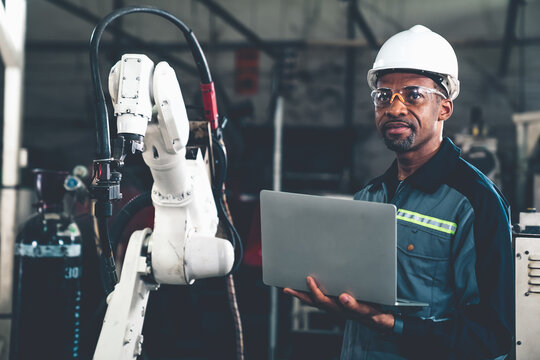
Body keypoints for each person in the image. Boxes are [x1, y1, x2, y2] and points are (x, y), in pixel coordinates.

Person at [284, 25, 514, 359]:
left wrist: (395, 325)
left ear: (444, 108)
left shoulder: (475, 203)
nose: (394, 108)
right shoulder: (369, 196)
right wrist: (336, 301)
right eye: (383, 96)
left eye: (413, 95)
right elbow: (359, 302)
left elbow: (491, 337)